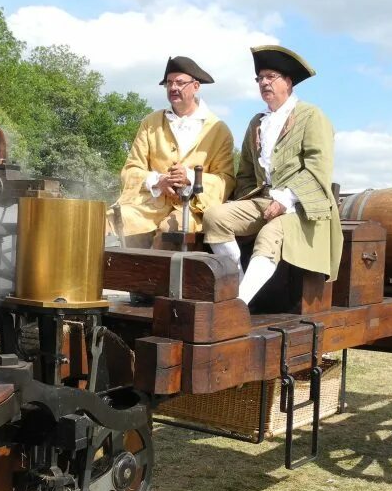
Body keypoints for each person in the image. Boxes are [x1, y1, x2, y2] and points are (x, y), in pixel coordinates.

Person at [202, 45, 340, 303]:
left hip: (303, 207)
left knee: (269, 234)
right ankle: (238, 288)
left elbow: (318, 168)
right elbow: (244, 172)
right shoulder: (257, 122)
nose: (263, 83)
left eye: (270, 77)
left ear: (288, 82)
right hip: (263, 200)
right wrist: (246, 201)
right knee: (214, 217)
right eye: (260, 78)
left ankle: (237, 304)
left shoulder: (312, 116)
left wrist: (285, 199)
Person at [111, 56, 235, 247]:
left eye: (179, 82)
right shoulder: (150, 123)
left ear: (196, 86)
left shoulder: (218, 130)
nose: (173, 88)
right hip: (148, 206)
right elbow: (130, 170)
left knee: (169, 233)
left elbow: (226, 180)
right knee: (107, 222)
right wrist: (158, 181)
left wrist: (192, 178)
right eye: (169, 83)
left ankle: (151, 277)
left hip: (191, 209)